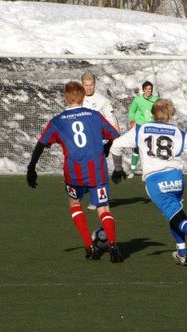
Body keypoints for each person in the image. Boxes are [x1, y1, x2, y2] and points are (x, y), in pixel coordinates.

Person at [110, 98, 187, 266]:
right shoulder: (179, 133)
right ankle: (182, 254)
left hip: (156, 181)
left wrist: (118, 168)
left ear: (152, 114)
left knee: (178, 219)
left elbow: (116, 146)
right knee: (175, 214)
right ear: (171, 114)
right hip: (176, 179)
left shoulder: (141, 130)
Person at [26, 81, 124, 262]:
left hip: (74, 173)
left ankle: (89, 246)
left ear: (65, 98)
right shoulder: (94, 116)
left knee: (75, 204)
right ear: (83, 97)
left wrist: (31, 167)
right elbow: (115, 136)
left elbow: (41, 144)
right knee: (103, 208)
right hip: (97, 171)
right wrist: (107, 148)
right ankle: (112, 245)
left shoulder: (57, 121)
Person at [81, 70, 120, 210]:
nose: (88, 88)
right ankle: (90, 194)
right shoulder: (77, 100)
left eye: (91, 85)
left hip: (98, 145)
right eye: (86, 85)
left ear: (95, 84)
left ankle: (100, 201)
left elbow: (113, 124)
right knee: (83, 173)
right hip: (81, 145)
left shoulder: (103, 101)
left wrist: (112, 143)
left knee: (98, 173)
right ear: (82, 85)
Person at [127, 80, 159, 179]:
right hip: (140, 127)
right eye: (146, 89)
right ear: (143, 90)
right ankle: (132, 171)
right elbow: (132, 111)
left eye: (150, 89)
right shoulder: (138, 100)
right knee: (137, 148)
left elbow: (161, 110)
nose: (148, 91)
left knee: (151, 150)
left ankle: (150, 171)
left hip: (152, 128)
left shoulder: (156, 99)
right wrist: (132, 121)